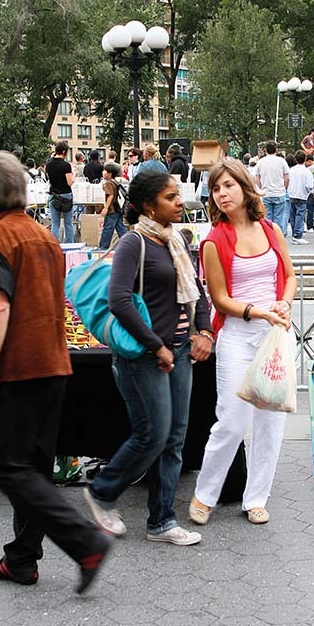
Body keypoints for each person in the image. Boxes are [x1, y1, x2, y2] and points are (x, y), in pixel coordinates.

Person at [0, 151, 110, 593]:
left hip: (18, 367)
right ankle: (23, 558)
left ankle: (84, 540)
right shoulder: (44, 236)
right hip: (53, 363)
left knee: (10, 466)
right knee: (32, 467)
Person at [85, 170, 214, 544]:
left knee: (174, 438)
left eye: (178, 195)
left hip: (179, 353)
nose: (179, 202)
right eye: (170, 197)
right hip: (144, 356)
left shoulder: (177, 242)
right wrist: (155, 345)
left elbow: (197, 293)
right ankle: (101, 493)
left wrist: (202, 332)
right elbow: (119, 300)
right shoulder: (134, 244)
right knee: (152, 434)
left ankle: (162, 521)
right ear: (147, 205)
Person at [191, 159, 297, 526]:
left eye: (228, 186)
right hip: (237, 334)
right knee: (232, 421)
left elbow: (289, 276)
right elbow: (218, 299)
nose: (222, 194)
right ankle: (205, 496)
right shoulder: (213, 240)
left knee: (270, 423)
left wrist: (283, 302)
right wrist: (259, 312)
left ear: (245, 186)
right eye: (216, 188)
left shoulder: (270, 229)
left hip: (276, 334)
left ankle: (256, 497)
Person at [254, 141, 290, 234]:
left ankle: (268, 236)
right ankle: (278, 236)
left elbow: (256, 177)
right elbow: (287, 177)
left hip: (266, 192)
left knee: (267, 217)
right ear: (276, 150)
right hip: (279, 192)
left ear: (266, 150)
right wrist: (284, 187)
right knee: (279, 218)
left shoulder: (260, 162)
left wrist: (261, 187)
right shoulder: (282, 161)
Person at [46, 140, 75, 243]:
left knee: (55, 223)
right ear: (64, 152)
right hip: (66, 195)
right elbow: (69, 183)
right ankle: (70, 245)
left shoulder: (48, 164)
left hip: (54, 195)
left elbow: (49, 178)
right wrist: (74, 175)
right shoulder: (66, 165)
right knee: (68, 223)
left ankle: (55, 244)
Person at [99, 162, 127, 250]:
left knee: (108, 228)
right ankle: (128, 243)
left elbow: (110, 195)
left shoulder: (109, 183)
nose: (103, 172)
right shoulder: (114, 182)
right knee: (120, 228)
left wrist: (106, 208)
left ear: (110, 173)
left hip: (112, 210)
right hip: (118, 209)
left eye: (105, 171)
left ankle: (103, 246)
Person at [287, 149, 313, 245]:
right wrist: (308, 192)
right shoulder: (306, 172)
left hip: (292, 194)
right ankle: (298, 235)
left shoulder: (291, 170)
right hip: (302, 195)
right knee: (300, 215)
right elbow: (309, 185)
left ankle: (295, 232)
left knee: (293, 214)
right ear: (305, 159)